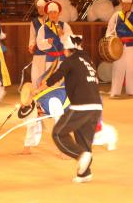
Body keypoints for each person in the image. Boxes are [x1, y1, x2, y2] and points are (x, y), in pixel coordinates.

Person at [38, 35, 102, 183]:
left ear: (67, 50)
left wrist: (38, 90)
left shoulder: (70, 61)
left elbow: (56, 77)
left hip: (82, 106)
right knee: (83, 140)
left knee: (58, 133)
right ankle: (84, 173)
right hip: (96, 106)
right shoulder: (88, 60)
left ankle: (80, 155)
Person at [36, 0, 73, 72]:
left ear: (58, 13)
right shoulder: (43, 27)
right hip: (50, 59)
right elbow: (39, 43)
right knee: (50, 80)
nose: (53, 15)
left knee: (62, 80)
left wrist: (63, 35)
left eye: (55, 12)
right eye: (50, 12)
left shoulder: (64, 25)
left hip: (63, 58)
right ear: (48, 14)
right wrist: (47, 41)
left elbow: (72, 42)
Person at [29, 0, 49, 89]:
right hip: (38, 53)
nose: (40, 9)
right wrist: (31, 45)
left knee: (48, 76)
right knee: (36, 75)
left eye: (42, 7)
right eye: (38, 7)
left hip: (50, 53)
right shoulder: (34, 22)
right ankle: (37, 95)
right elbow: (32, 37)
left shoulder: (52, 20)